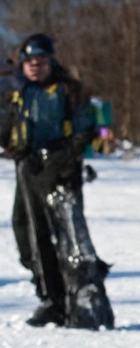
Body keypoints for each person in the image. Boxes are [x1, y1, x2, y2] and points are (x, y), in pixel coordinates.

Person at [3, 34, 113, 329]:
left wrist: (66, 158)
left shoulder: (67, 90)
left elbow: (86, 128)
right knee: (29, 235)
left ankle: (85, 303)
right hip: (29, 170)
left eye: (41, 62)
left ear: (51, 62)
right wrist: (16, 148)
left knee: (69, 239)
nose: (35, 67)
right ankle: (51, 298)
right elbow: (7, 129)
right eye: (30, 62)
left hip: (62, 172)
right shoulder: (16, 91)